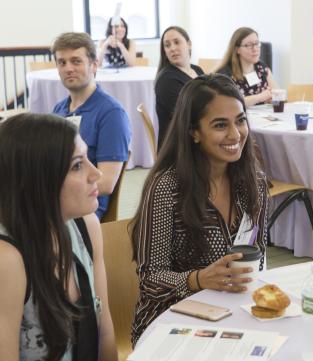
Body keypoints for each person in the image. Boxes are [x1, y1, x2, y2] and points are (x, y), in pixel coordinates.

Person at [130, 74, 269, 345]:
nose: (235, 134)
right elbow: (151, 280)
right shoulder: (167, 187)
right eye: (220, 125)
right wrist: (199, 279)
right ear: (194, 132)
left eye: (240, 121)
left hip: (234, 314)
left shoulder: (254, 183)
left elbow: (258, 255)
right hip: (172, 320)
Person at [0, 113, 117, 361]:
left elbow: (104, 330)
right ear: (35, 180)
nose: (95, 173)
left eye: (87, 159)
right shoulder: (7, 258)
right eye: (77, 165)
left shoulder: (86, 225)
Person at [51, 32, 131, 220]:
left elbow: (106, 183)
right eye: (62, 62)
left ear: (94, 65)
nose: (68, 68)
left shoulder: (111, 113)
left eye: (76, 61)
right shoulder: (59, 109)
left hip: (85, 211)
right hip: (57, 202)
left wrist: (49, 191)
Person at [154, 26, 204, 149]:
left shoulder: (197, 70)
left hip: (196, 135)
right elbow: (188, 116)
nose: (172, 48)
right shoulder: (166, 80)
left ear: (189, 44)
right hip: (179, 146)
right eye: (167, 45)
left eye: (177, 42)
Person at [217, 27, 278, 107]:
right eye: (249, 45)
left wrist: (272, 99)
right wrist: (260, 97)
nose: (255, 49)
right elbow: (231, 103)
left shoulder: (262, 68)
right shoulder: (225, 74)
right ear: (237, 49)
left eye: (257, 43)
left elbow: (277, 94)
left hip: (263, 117)